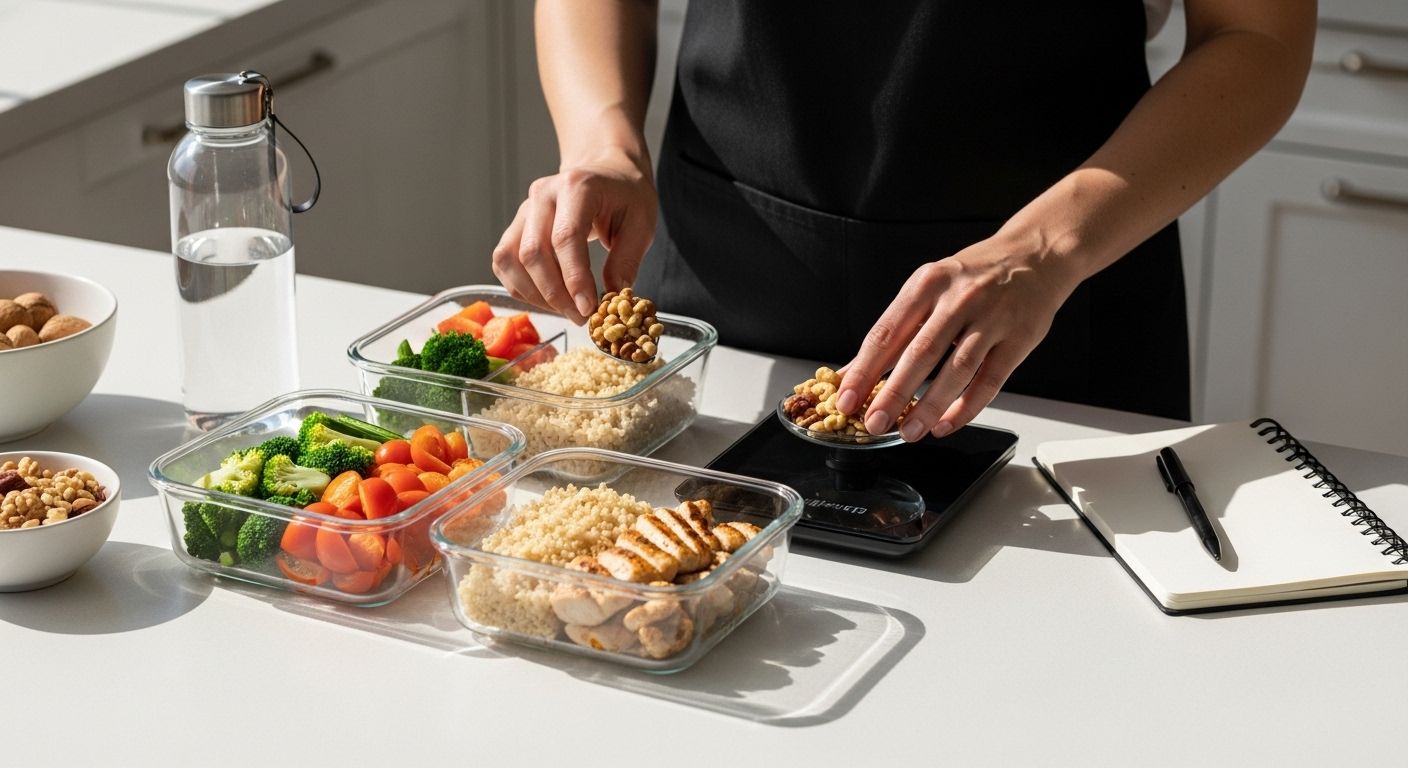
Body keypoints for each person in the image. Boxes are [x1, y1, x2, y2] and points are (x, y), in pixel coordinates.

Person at [491, 0, 1315, 441]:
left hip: (1053, 296)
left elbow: (1256, 36)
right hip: (728, 269)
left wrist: (1044, 250)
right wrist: (603, 145)